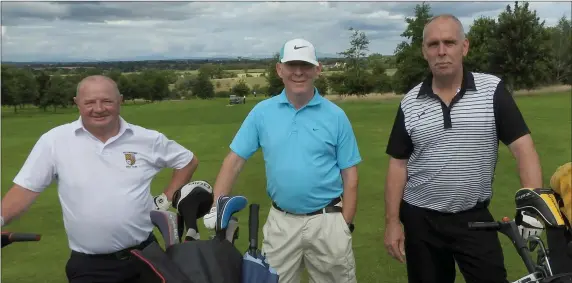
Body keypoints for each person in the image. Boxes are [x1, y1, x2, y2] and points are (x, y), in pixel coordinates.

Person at [383, 14, 543, 283]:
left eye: (449, 42)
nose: (442, 51)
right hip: (421, 221)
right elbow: (398, 165)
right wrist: (392, 222)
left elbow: (523, 149)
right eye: (433, 44)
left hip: (474, 218)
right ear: (424, 51)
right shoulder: (410, 102)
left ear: (464, 47)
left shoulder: (492, 91)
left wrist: (532, 210)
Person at [0, 75, 199, 283]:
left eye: (107, 101)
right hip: (90, 266)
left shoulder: (148, 139)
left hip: (146, 256)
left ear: (120, 100)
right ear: (77, 103)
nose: (99, 108)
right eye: (89, 102)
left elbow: (187, 161)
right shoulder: (54, 141)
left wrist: (165, 200)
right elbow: (25, 190)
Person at [203, 38, 362, 283]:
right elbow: (234, 161)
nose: (298, 72)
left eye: (305, 65)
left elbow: (350, 175)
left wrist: (344, 224)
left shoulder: (336, 116)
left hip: (328, 221)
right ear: (280, 69)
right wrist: (217, 207)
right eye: (291, 65)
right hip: (281, 223)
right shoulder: (262, 113)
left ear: (317, 70)